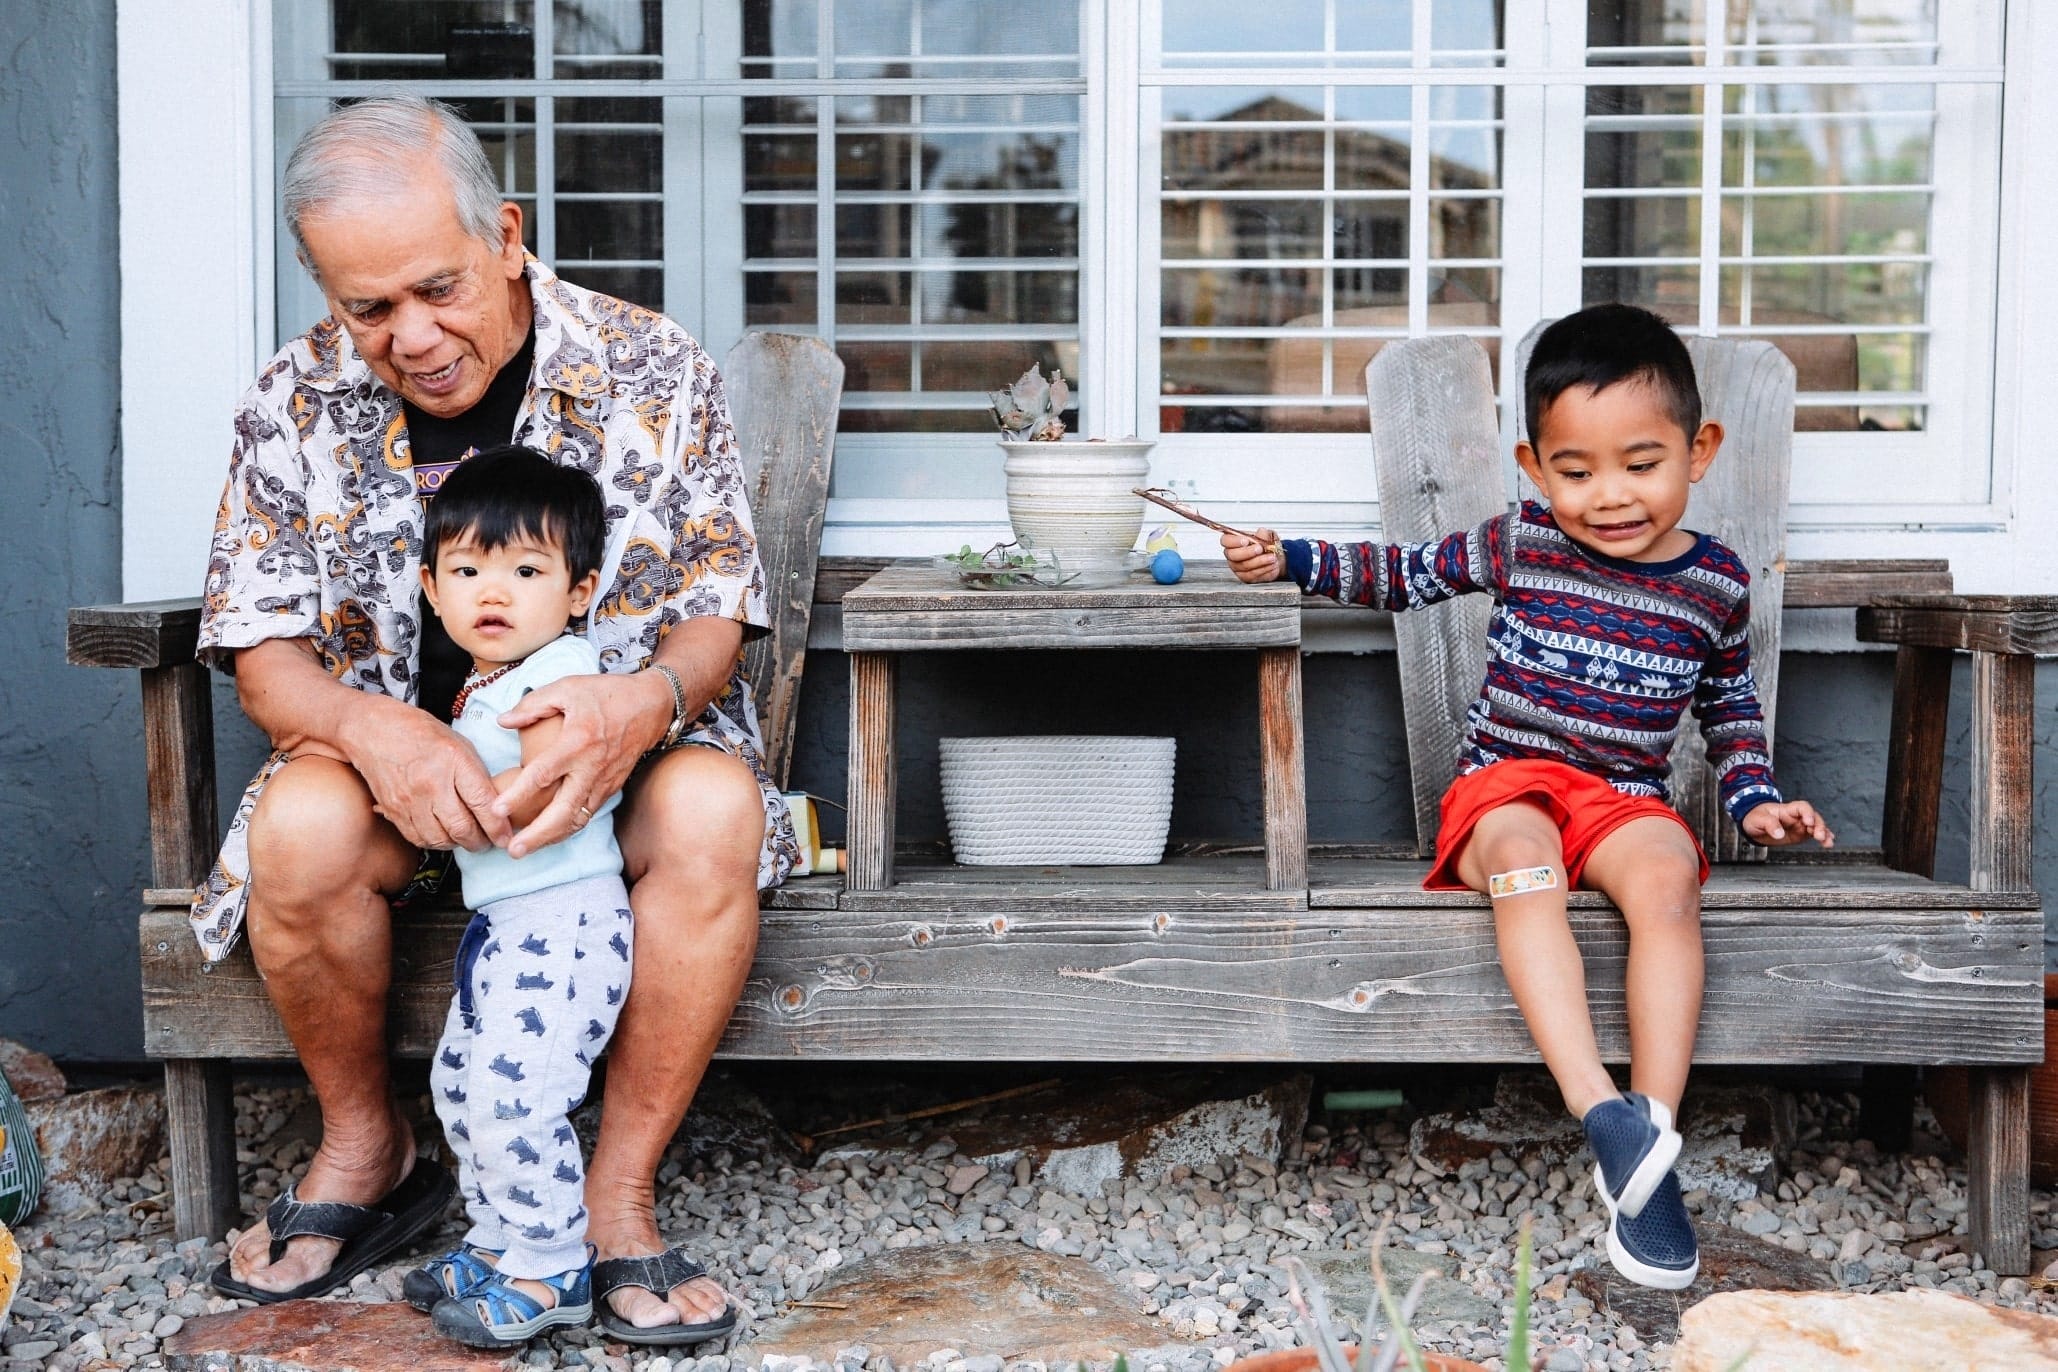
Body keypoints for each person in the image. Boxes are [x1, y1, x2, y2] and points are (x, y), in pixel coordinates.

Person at [197, 95, 795, 1344]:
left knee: (714, 803)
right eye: (370, 309)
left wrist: (644, 704)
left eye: (438, 289)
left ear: (507, 236)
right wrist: (377, 734)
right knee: (297, 827)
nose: (412, 336)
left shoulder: (650, 368)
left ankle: (616, 1195)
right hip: (399, 793)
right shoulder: (290, 406)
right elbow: (262, 657)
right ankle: (372, 1152)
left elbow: (717, 612)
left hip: (610, 776)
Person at [1223, 303, 1834, 1290]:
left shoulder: (1715, 582)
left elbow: (1729, 708)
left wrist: (1758, 799)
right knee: (1523, 857)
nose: (1611, 496)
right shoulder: (1522, 543)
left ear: (1700, 448)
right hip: (1503, 786)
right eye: (1577, 470)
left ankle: (1652, 1140)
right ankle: (1601, 1109)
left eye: (1641, 463)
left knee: (1672, 877)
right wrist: (1294, 557)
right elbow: (1405, 574)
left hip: (1623, 794)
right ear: (1535, 465)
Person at [397, 446, 622, 1346]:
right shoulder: (490, 683)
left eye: (527, 569)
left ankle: (552, 1263)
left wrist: (415, 791)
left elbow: (529, 793)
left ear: (578, 590)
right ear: (431, 585)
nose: (495, 591)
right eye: (468, 570)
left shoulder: (563, 679)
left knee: (515, 1095)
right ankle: (496, 1244)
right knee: (460, 1085)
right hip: (507, 928)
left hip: (563, 926)